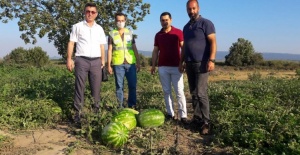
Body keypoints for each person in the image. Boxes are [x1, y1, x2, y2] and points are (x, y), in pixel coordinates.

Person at [179, 0, 217, 135]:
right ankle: (197, 118)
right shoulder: (186, 27)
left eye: (194, 8)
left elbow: (213, 42)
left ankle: (206, 122)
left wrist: (211, 60)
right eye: (189, 9)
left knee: (201, 93)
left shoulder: (206, 23)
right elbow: (184, 48)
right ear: (186, 10)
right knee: (194, 93)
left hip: (202, 63)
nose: (192, 11)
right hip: (189, 63)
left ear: (198, 8)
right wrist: (181, 62)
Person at [66, 2, 107, 125]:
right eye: (88, 11)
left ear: (96, 14)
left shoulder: (99, 28)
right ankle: (77, 115)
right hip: (81, 60)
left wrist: (103, 60)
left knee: (96, 89)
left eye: (93, 12)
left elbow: (102, 46)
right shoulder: (77, 26)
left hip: (96, 61)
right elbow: (71, 43)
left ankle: (96, 115)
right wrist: (69, 59)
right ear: (84, 12)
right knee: (79, 87)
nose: (90, 14)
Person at [151, 12, 188, 123]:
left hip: (177, 67)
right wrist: (153, 65)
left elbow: (183, 48)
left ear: (171, 20)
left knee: (179, 91)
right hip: (163, 67)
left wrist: (183, 63)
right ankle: (170, 114)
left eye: (166, 20)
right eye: (162, 20)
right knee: (166, 91)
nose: (164, 22)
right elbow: (155, 51)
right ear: (160, 21)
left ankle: (183, 116)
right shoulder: (158, 35)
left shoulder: (178, 32)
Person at [107, 12, 140, 109]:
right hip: (118, 64)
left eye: (122, 20)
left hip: (130, 63)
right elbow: (109, 50)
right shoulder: (111, 34)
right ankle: (119, 107)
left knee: (132, 86)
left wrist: (138, 62)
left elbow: (134, 47)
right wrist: (109, 65)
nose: (120, 22)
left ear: (125, 21)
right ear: (115, 21)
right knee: (119, 87)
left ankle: (132, 106)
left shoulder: (130, 32)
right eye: (118, 20)